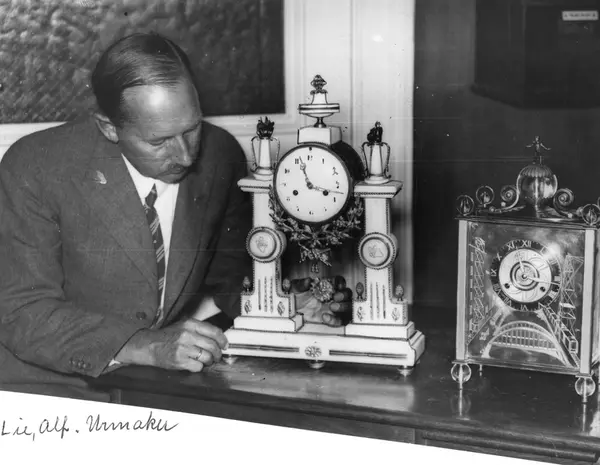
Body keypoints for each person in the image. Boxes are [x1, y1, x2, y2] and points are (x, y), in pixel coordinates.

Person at [0, 32, 350, 402]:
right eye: (159, 141)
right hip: (43, 388)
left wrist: (283, 306)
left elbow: (229, 274)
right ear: (109, 128)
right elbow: (21, 311)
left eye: (192, 128)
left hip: (153, 386)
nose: (185, 156)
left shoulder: (220, 154)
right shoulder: (35, 166)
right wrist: (144, 345)